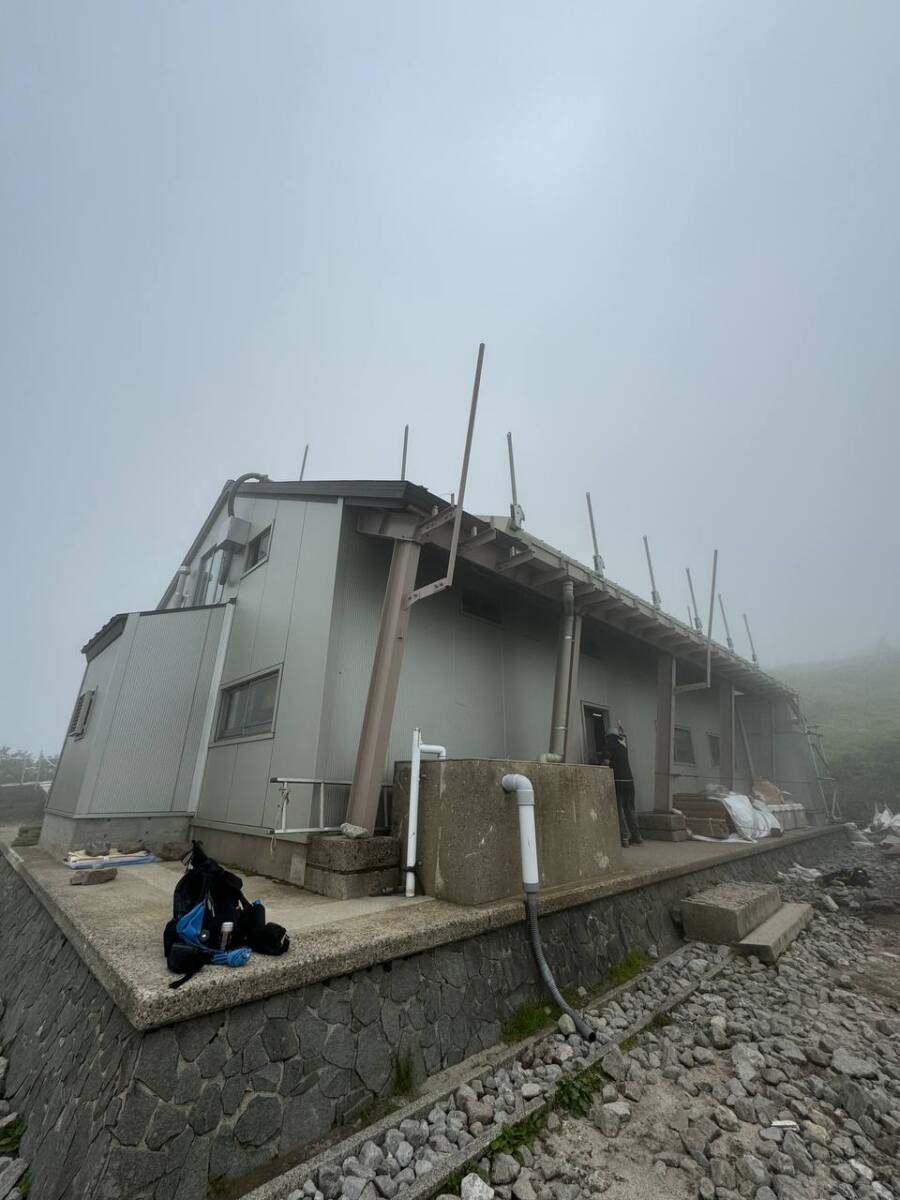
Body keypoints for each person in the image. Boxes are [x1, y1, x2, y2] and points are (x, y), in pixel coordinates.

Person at [605, 725, 643, 848]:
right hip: (629, 782)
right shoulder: (623, 747)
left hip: (618, 781)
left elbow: (606, 762)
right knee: (630, 809)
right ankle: (637, 837)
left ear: (608, 737)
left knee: (619, 810)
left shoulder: (610, 745)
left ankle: (625, 837)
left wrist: (597, 764)